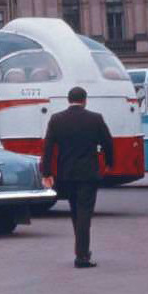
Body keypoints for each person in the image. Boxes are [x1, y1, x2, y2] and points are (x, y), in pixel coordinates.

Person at [41, 86, 114, 269]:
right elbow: (108, 142)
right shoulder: (95, 119)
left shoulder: (57, 119)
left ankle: (81, 250)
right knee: (85, 214)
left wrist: (47, 172)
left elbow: (48, 147)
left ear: (68, 99)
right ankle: (82, 255)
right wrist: (109, 162)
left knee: (75, 212)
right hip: (88, 173)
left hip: (66, 174)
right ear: (85, 100)